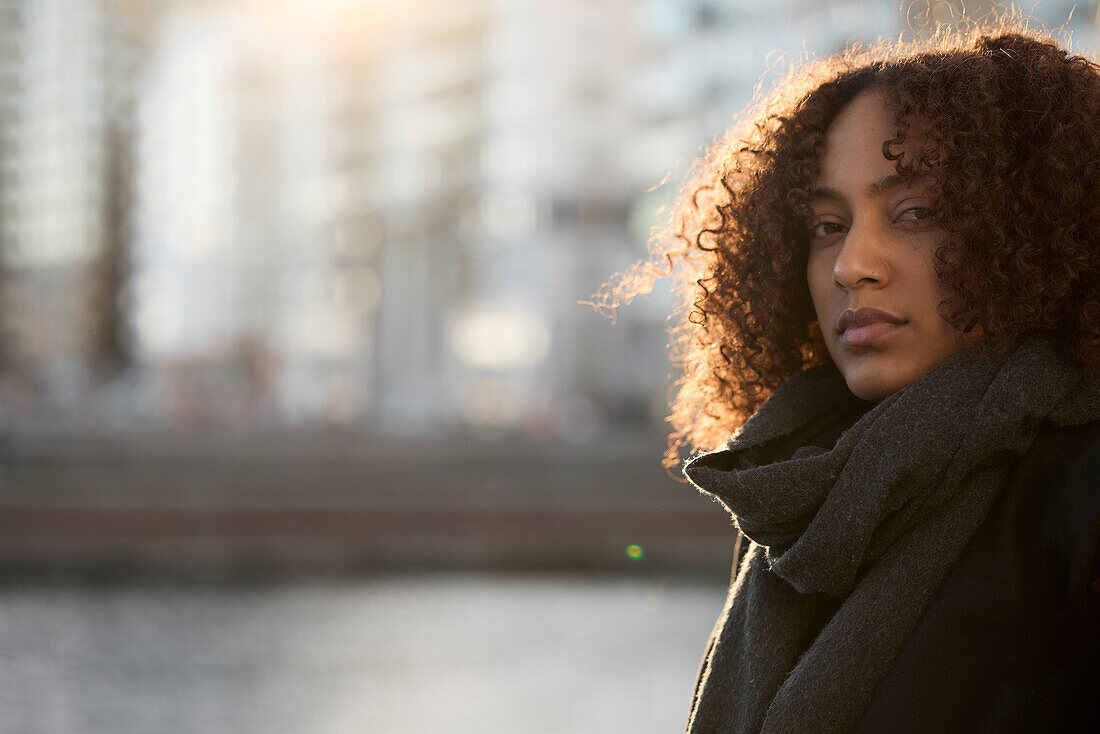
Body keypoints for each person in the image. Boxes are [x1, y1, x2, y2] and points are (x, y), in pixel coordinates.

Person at [595, 18, 1100, 734]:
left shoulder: (1082, 490)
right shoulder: (792, 493)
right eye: (827, 226)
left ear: (1036, 224)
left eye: (916, 211)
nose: (851, 264)